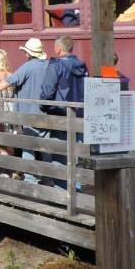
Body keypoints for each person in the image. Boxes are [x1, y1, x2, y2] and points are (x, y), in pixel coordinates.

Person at [0, 38, 51, 180]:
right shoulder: (48, 66)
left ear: (28, 53)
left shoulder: (28, 66)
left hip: (28, 114)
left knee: (28, 148)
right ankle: (49, 179)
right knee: (47, 149)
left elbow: (8, 82)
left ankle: (30, 180)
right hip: (47, 115)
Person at [39, 36, 88, 187]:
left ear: (58, 49)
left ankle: (63, 196)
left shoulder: (56, 65)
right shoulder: (82, 65)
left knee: (60, 156)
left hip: (60, 115)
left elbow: (47, 91)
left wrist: (44, 107)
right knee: (76, 156)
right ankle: (76, 192)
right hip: (80, 114)